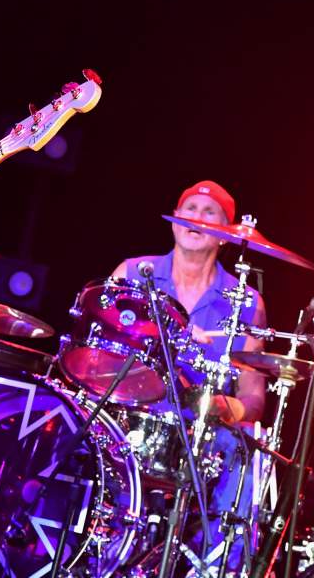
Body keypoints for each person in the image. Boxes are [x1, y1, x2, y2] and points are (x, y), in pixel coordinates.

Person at [110, 179, 267, 572]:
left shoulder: (246, 302)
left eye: (209, 212)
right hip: (130, 422)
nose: (197, 218)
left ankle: (217, 565)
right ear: (174, 220)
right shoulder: (132, 273)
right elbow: (99, 356)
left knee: (244, 450)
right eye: (190, 210)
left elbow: (254, 396)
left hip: (204, 438)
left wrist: (224, 407)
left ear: (227, 235)